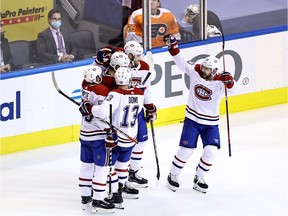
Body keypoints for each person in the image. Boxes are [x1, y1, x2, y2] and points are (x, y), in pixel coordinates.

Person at [163, 34, 237, 193]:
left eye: (207, 69)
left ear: (214, 70)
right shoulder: (196, 71)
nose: (203, 70)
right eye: (203, 67)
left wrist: (229, 81)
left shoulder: (220, 80)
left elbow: (233, 89)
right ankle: (173, 175)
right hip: (192, 120)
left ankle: (199, 177)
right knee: (186, 150)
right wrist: (173, 46)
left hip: (211, 123)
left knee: (211, 151)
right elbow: (181, 61)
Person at [79, 67, 144, 206]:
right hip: (131, 136)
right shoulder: (139, 94)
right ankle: (119, 192)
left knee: (108, 168)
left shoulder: (114, 93)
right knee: (123, 166)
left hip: (116, 137)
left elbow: (102, 112)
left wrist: (89, 108)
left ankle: (111, 193)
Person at [78, 65, 116, 214]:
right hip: (98, 135)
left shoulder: (84, 85)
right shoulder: (101, 91)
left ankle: (86, 196)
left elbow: (87, 107)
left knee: (87, 165)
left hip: (84, 133)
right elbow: (101, 114)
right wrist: (108, 130)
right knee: (102, 167)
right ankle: (99, 199)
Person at [124, 40, 157, 188]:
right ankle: (119, 175)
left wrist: (149, 107)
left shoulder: (144, 67)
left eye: (139, 55)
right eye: (136, 56)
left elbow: (146, 88)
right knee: (124, 143)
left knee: (142, 139)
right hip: (123, 111)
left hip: (138, 110)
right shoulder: (120, 67)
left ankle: (134, 170)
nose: (139, 58)